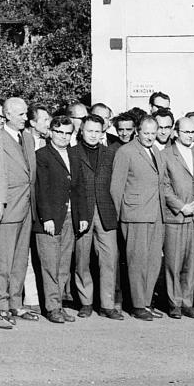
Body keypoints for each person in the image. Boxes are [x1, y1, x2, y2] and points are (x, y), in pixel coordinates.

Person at [111, 115, 167, 321]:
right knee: (137, 261)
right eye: (146, 133)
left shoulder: (156, 151)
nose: (150, 137)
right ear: (137, 131)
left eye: (153, 133)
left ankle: (146, 301)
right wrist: (116, 219)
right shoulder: (125, 152)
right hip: (134, 215)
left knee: (153, 261)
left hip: (156, 214)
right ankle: (137, 304)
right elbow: (116, 187)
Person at [0, 97, 36, 325]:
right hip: (9, 206)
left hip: (27, 206)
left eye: (26, 114)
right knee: (4, 260)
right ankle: (1, 304)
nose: (25, 118)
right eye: (20, 115)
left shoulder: (27, 138)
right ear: (7, 115)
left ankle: (16, 303)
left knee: (20, 260)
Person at [34, 115, 84, 324]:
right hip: (51, 219)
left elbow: (79, 189)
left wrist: (81, 216)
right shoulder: (42, 155)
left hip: (70, 216)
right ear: (51, 132)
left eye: (67, 133)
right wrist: (46, 217)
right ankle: (52, 307)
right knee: (50, 264)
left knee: (64, 264)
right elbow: (41, 188)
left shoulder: (74, 155)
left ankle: (60, 305)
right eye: (59, 132)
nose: (63, 137)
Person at [73, 114, 122, 320]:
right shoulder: (72, 153)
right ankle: (86, 302)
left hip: (106, 212)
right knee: (82, 260)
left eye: (97, 131)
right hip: (83, 212)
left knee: (109, 259)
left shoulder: (110, 153)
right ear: (82, 131)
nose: (93, 135)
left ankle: (108, 304)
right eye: (89, 130)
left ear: (102, 133)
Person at [160, 115, 194, 319]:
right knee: (173, 262)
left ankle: (188, 302)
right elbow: (164, 185)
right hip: (176, 216)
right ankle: (174, 302)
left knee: (191, 262)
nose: (190, 135)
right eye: (186, 132)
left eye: (193, 132)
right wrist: (180, 206)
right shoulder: (166, 155)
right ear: (176, 132)